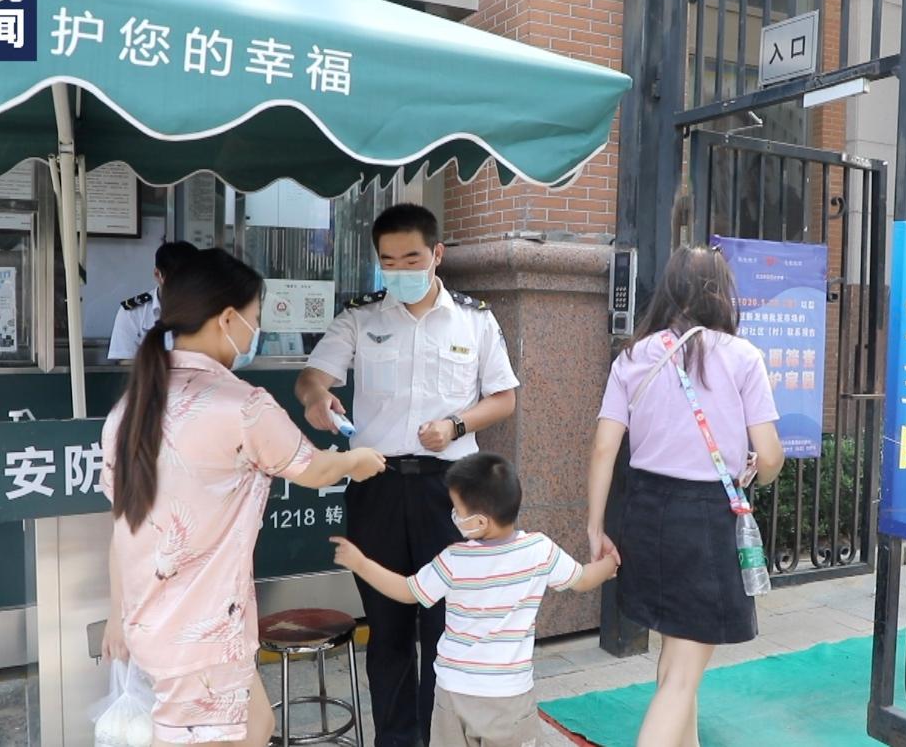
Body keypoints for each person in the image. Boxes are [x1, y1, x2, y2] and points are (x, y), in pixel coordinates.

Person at [98, 248, 387, 747]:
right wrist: (357, 460)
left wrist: (117, 613)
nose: (256, 332)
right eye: (255, 318)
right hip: (203, 637)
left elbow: (123, 527)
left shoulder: (130, 408)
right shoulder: (241, 406)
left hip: (154, 622)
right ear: (228, 318)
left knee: (258, 726)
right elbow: (315, 469)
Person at [296, 204, 520, 747]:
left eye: (411, 258)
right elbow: (312, 377)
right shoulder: (362, 317)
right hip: (376, 485)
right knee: (388, 626)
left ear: (437, 254)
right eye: (389, 261)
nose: (399, 270)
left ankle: (440, 737)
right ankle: (395, 740)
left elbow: (504, 398)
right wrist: (317, 398)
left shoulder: (474, 319)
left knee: (446, 625)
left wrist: (456, 424)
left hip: (451, 491)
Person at [587, 246, 784, 747]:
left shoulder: (633, 356)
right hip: (705, 522)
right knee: (680, 676)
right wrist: (757, 473)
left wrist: (595, 528)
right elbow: (769, 456)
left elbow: (605, 447)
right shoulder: (742, 356)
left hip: (644, 514)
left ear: (669, 291)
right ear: (721, 293)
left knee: (675, 662)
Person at [331, 452, 619, 747]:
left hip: (452, 694)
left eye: (457, 510)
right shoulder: (539, 550)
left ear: (481, 521)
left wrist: (361, 563)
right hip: (509, 696)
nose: (453, 516)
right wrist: (610, 563)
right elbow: (583, 579)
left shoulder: (454, 559)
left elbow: (407, 590)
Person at [108, 240, 201, 361]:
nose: (183, 286)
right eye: (176, 280)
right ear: (158, 274)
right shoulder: (133, 313)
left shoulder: (206, 309)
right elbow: (125, 363)